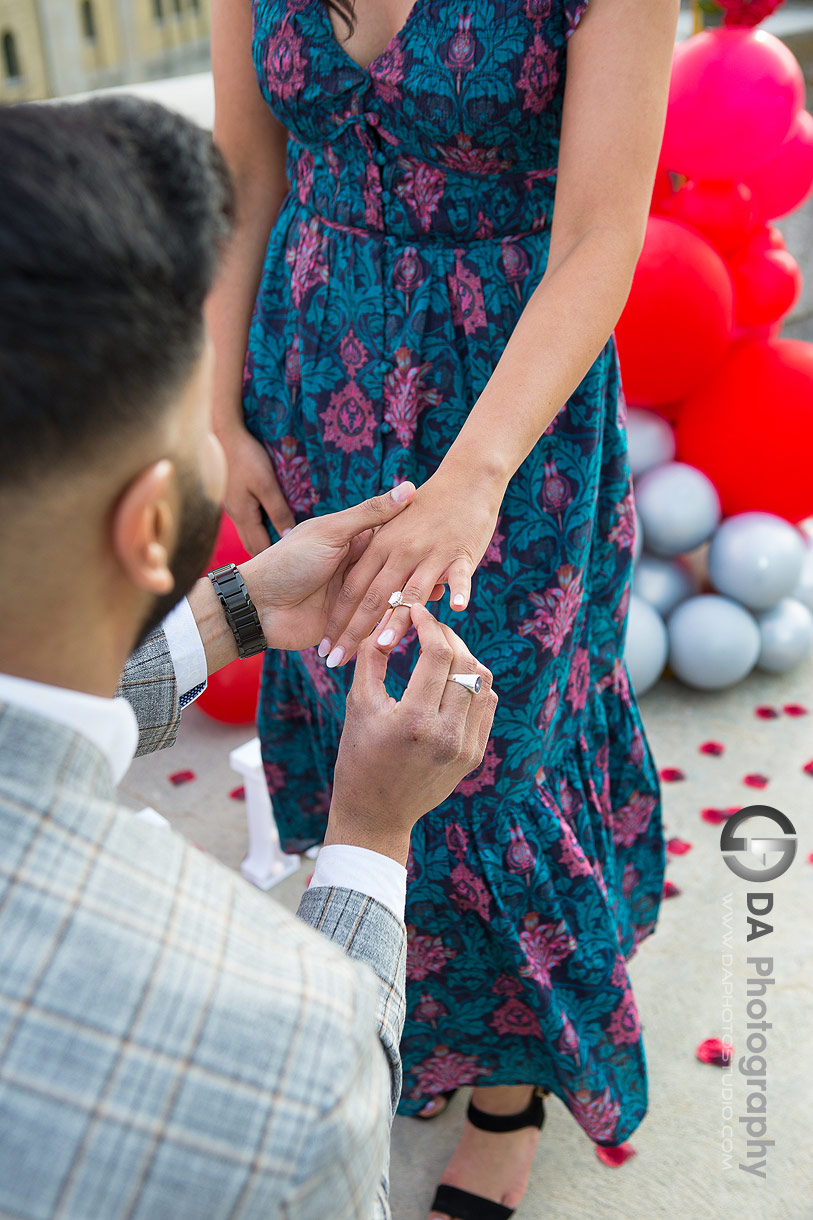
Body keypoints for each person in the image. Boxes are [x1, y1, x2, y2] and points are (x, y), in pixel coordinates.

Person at [211, 0, 680, 1216]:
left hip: (510, 408)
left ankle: (508, 1091)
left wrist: (474, 483)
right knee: (347, 708)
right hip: (310, 374)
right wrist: (217, 408)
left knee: (485, 741)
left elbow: (599, 235)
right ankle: (401, 1006)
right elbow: (243, 173)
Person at [0, 96, 497, 1220]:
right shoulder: (273, 1049)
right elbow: (327, 1111)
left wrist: (223, 616)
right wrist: (369, 837)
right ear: (150, 521)